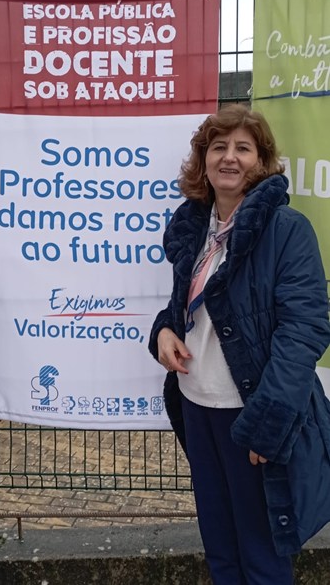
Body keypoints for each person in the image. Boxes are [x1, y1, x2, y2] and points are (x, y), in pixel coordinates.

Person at [149, 104, 330, 584]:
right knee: (221, 549)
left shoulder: (287, 230)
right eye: (219, 147)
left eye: (243, 148)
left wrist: (268, 426)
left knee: (262, 556)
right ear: (204, 159)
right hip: (197, 407)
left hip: (250, 414)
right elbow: (181, 307)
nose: (229, 157)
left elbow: (305, 329)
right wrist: (163, 331)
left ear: (262, 161)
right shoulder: (194, 227)